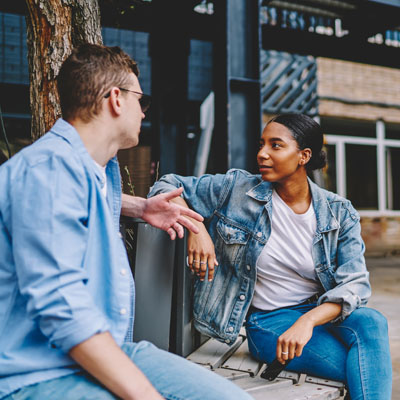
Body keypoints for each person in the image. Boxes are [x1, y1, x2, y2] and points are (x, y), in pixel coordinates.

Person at [0, 44, 252, 400]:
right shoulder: (48, 172)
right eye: (141, 100)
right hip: (36, 370)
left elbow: (83, 203)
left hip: (112, 348)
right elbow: (61, 307)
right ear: (116, 99)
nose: (144, 112)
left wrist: (138, 207)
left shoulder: (97, 173)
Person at [148, 113, 392, 400]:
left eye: (276, 145)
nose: (262, 154)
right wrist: (197, 227)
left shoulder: (339, 212)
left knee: (371, 322)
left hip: (317, 314)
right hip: (269, 323)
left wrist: (306, 322)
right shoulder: (237, 189)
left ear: (304, 156)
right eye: (261, 144)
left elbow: (355, 286)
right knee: (365, 366)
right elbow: (167, 184)